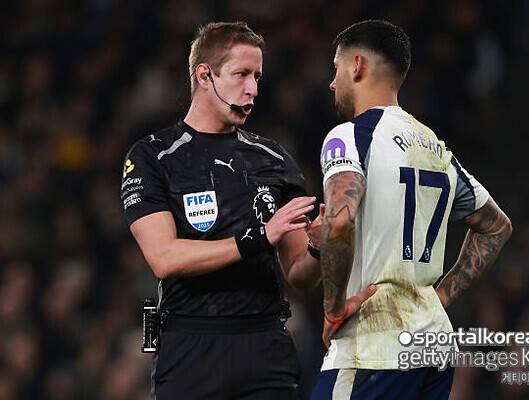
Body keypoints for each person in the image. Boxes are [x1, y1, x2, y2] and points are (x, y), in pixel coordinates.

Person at [120, 21, 373, 400]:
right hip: (190, 347)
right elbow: (164, 258)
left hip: (265, 346)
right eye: (241, 74)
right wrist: (259, 237)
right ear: (205, 76)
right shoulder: (153, 156)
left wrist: (319, 247)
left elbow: (298, 273)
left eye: (257, 77)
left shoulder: (274, 159)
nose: (253, 88)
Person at [311, 20, 513, 399]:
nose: (332, 83)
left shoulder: (351, 136)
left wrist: (333, 308)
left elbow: (339, 223)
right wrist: (440, 298)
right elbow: (497, 226)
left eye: (336, 69)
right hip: (434, 348)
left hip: (374, 346)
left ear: (357, 65)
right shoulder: (435, 148)